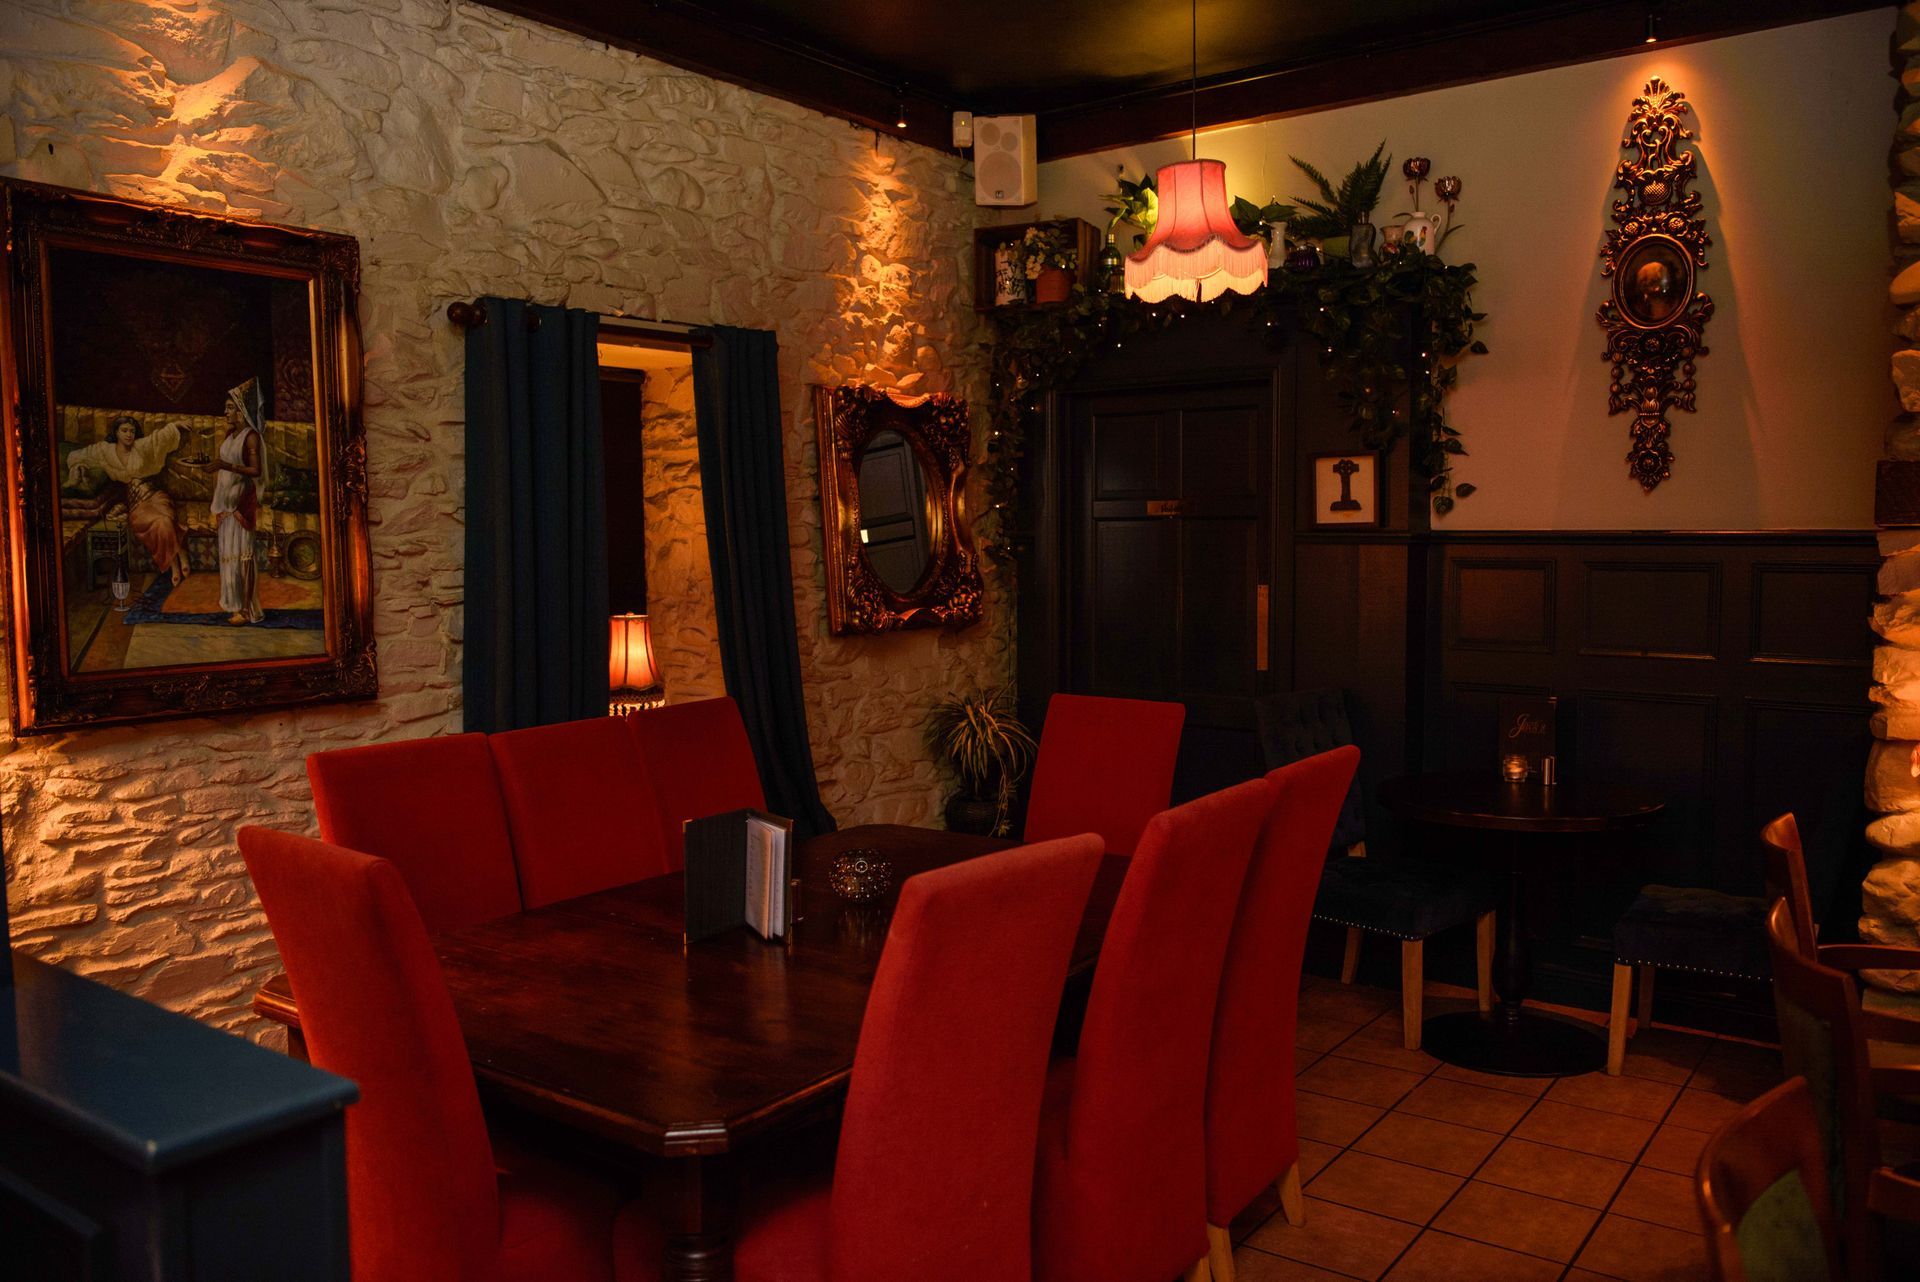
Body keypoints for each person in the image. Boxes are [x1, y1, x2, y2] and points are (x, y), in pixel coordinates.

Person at [64, 415, 191, 586]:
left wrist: (175, 424)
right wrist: (78, 466)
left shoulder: (140, 446)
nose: (129, 435)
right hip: (137, 504)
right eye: (124, 430)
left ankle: (177, 556)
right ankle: (176, 559)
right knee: (161, 521)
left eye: (132, 431)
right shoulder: (104, 450)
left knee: (166, 516)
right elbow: (75, 456)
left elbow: (159, 438)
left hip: (155, 495)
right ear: (116, 432)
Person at [202, 377, 270, 625]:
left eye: (230, 407)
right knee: (229, 555)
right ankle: (233, 606)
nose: (226, 412)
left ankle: (246, 610)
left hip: (241, 504)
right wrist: (215, 467)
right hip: (225, 503)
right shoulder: (232, 434)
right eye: (226, 407)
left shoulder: (250, 437)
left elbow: (256, 471)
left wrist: (225, 465)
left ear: (241, 410)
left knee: (244, 556)